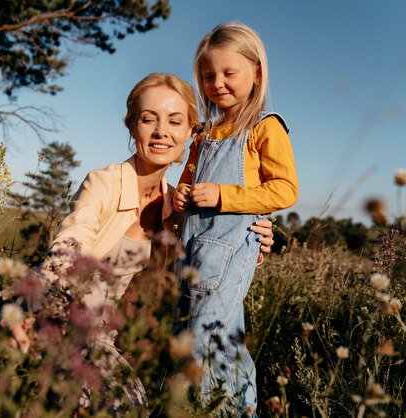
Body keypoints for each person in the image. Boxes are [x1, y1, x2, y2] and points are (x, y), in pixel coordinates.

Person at [7, 72, 276, 412]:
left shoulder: (182, 207)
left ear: (191, 134)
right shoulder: (104, 183)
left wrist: (252, 242)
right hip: (48, 313)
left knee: (135, 405)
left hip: (102, 339)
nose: (162, 131)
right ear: (132, 126)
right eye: (149, 119)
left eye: (175, 121)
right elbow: (72, 241)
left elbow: (210, 259)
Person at [172, 22, 298, 416]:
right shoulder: (204, 134)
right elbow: (188, 186)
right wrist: (180, 197)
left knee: (203, 341)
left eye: (229, 73)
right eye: (209, 76)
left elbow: (285, 189)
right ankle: (245, 410)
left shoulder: (265, 127)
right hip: (192, 251)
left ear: (256, 72)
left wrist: (226, 195)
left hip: (228, 254)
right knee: (217, 338)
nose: (217, 83)